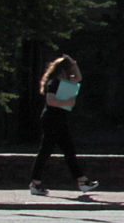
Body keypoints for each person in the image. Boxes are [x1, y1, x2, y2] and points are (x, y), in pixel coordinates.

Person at [28, 56, 95, 197]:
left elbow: (78, 77)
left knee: (69, 150)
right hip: (51, 119)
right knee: (45, 151)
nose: (73, 73)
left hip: (60, 120)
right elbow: (50, 101)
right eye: (70, 69)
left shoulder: (66, 83)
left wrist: (73, 62)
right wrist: (67, 102)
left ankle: (82, 181)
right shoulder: (54, 83)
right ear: (64, 70)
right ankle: (35, 183)